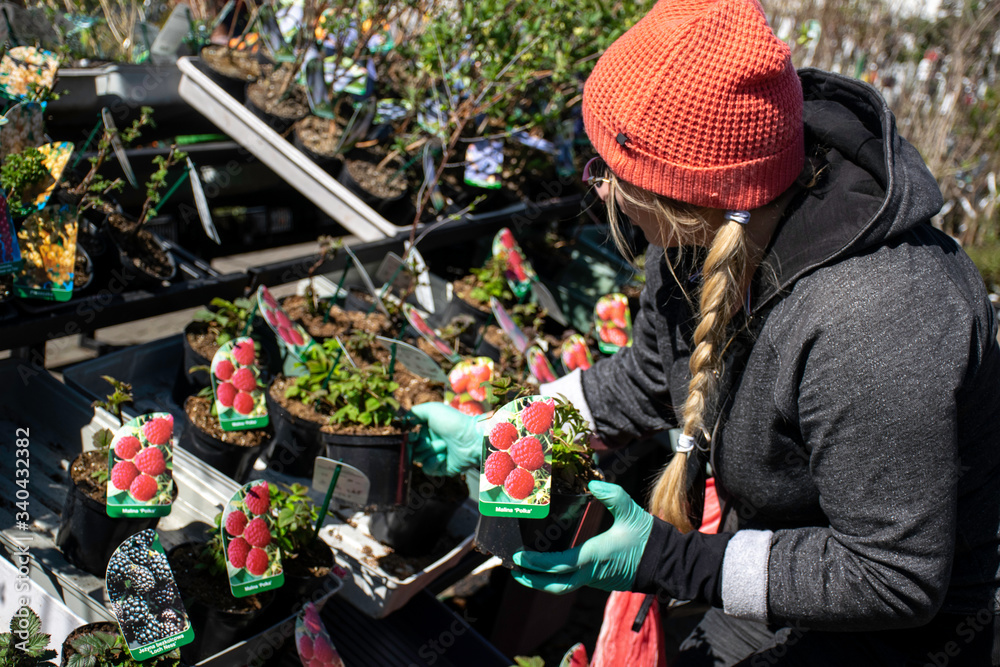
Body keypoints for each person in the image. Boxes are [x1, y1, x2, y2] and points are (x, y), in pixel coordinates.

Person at [411, 0, 1000, 664]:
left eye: (609, 173)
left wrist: (669, 559)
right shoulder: (711, 226)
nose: (599, 189)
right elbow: (652, 376)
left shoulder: (879, 321)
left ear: (682, 195)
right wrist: (513, 426)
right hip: (775, 567)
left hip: (890, 632)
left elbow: (893, 574)